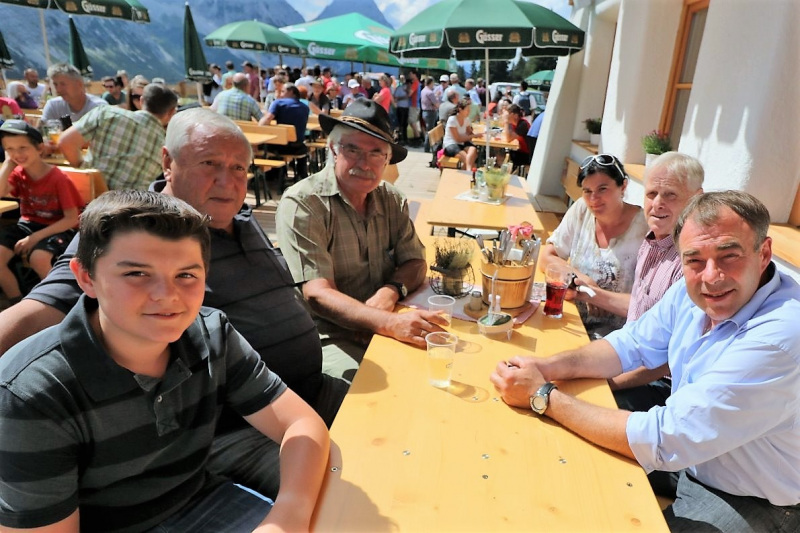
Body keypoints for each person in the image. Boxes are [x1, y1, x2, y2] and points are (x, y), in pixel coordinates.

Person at [0, 109, 349, 500]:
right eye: (209, 164)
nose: (227, 181)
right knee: (350, 489)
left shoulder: (239, 218)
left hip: (304, 398)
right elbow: (37, 313)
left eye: (238, 167)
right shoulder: (130, 233)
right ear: (168, 161)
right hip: (236, 428)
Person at [0, 190, 329, 531]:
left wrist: (287, 516)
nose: (167, 295)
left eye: (186, 275)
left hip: (204, 501)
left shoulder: (211, 333)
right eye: (137, 274)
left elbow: (299, 422)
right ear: (86, 277)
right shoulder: (31, 393)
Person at [491, 190, 800, 532]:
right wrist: (545, 368)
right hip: (692, 458)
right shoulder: (692, 291)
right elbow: (630, 344)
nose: (711, 276)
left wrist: (543, 396)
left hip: (753, 497)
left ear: (763, 253)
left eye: (729, 256)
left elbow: (665, 438)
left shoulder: (780, 336)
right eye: (694, 260)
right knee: (556, 464)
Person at [276, 100, 447, 383]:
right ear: (333, 149)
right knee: (369, 388)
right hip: (329, 333)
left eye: (376, 153)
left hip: (388, 319)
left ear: (387, 160)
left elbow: (416, 261)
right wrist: (386, 322)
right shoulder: (304, 203)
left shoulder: (390, 198)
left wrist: (390, 291)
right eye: (352, 149)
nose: (364, 163)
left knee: (439, 369)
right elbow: (317, 294)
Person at [610, 152, 704, 411]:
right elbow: (637, 313)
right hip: (629, 362)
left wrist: (609, 382)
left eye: (670, 195)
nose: (657, 204)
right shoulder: (652, 240)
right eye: (652, 194)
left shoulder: (691, 263)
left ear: (696, 199)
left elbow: (666, 361)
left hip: (662, 387)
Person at [540, 154, 648, 339]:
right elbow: (547, 256)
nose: (593, 199)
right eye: (587, 191)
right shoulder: (582, 210)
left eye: (602, 189)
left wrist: (595, 295)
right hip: (572, 319)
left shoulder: (645, 229)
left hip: (614, 337)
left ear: (623, 186)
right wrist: (582, 279)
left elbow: (646, 306)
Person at [0, 120, 83, 304]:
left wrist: (34, 238)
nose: (17, 154)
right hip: (27, 226)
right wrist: (7, 165)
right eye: (10, 149)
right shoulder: (18, 173)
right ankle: (17, 303)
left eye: (23, 148)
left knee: (39, 258)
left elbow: (71, 219)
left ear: (39, 148)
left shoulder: (58, 178)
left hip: (60, 229)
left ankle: (59, 303)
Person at [59, 83, 178, 191]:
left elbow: (66, 142)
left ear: (141, 101)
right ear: (171, 112)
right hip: (131, 205)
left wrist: (87, 171)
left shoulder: (106, 113)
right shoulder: (167, 146)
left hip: (90, 198)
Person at [259, 83, 309, 181]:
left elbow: (265, 121)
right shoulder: (305, 107)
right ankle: (301, 175)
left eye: (283, 91)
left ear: (291, 92)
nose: (281, 94)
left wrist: (259, 126)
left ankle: (268, 176)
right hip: (298, 147)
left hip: (281, 148)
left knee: (262, 146)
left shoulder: (278, 103)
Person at [41, 63, 107, 123]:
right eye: (55, 84)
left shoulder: (99, 107)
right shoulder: (53, 105)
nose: (58, 89)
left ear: (79, 84)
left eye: (63, 84)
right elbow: (42, 129)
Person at [443, 97, 480, 170]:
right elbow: (458, 139)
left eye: (469, 110)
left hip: (462, 143)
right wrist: (474, 135)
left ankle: (466, 172)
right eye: (467, 110)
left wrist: (478, 134)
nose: (469, 112)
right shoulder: (452, 120)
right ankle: (469, 172)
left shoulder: (466, 119)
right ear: (460, 109)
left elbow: (469, 133)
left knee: (473, 150)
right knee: (468, 159)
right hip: (451, 144)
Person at [504, 103, 532, 173]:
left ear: (515, 115)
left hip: (527, 155)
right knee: (504, 152)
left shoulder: (522, 124)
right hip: (521, 151)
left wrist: (506, 122)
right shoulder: (515, 124)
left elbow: (508, 139)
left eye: (508, 114)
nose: (506, 116)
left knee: (503, 154)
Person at [420, 76, 439, 152]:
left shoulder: (423, 91)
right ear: (431, 83)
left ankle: (427, 146)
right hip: (430, 112)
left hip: (424, 111)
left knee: (428, 129)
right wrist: (436, 98)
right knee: (430, 131)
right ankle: (427, 147)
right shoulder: (430, 92)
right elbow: (436, 104)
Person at [393, 78, 410, 144]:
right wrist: (403, 97)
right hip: (401, 108)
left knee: (405, 124)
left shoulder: (409, 90)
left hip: (406, 108)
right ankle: (400, 138)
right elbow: (395, 97)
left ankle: (405, 138)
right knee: (401, 124)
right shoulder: (400, 88)